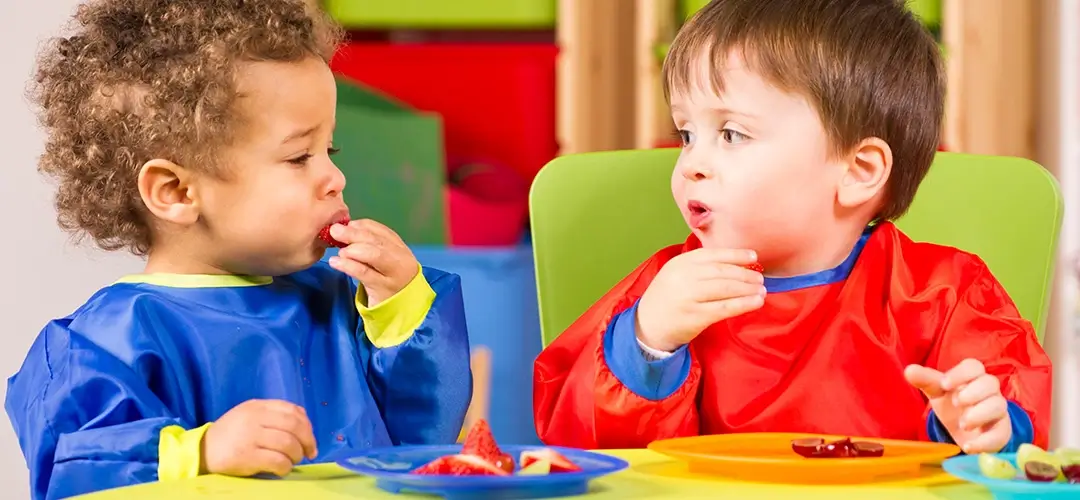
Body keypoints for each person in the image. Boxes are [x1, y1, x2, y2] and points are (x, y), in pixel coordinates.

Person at [533, 0, 1051, 454]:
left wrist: (986, 426)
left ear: (858, 172)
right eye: (688, 132)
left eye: (732, 134)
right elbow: (578, 442)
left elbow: (1011, 412)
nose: (689, 162)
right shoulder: (668, 287)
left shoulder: (944, 294)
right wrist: (648, 344)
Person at [5, 1, 471, 498]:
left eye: (328, 151)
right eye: (298, 157)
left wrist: (402, 308)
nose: (336, 178)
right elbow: (73, 469)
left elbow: (422, 439)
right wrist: (200, 453)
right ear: (176, 192)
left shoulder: (342, 303)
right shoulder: (102, 344)